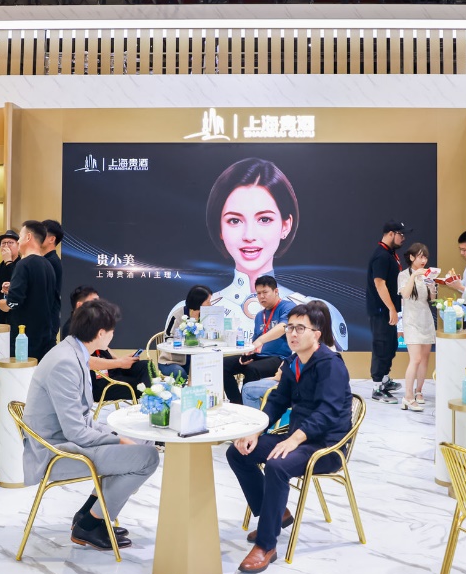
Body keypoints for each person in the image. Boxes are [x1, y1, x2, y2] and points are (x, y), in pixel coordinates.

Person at [21, 299, 159, 552]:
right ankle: (91, 524)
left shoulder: (72, 351)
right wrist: (117, 439)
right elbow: (75, 431)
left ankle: (88, 514)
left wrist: (117, 435)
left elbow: (80, 420)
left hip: (67, 438)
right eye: (112, 331)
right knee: (148, 458)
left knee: (143, 440)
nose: (114, 335)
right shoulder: (65, 362)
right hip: (56, 450)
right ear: (100, 334)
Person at [166, 158, 348, 349]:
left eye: (264, 219)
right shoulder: (189, 311)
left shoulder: (313, 309)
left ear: (286, 225)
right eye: (235, 221)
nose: (249, 236)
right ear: (219, 228)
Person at [227, 301, 352, 574]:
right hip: (298, 437)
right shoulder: (294, 362)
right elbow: (277, 401)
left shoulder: (331, 365)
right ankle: (276, 513)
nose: (293, 333)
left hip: (326, 446)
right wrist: (256, 431)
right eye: (289, 327)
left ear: (316, 333)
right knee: (237, 452)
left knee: (277, 464)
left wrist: (294, 440)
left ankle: (266, 545)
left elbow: (328, 412)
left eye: (300, 328)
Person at [63, 285, 150, 400]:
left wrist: (121, 360)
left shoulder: (93, 322)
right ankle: (151, 404)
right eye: (94, 302)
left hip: (112, 369)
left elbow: (103, 347)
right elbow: (85, 360)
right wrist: (119, 363)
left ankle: (153, 403)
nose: (99, 306)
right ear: (79, 305)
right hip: (100, 380)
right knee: (141, 386)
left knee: (147, 366)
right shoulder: (71, 330)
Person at [224, 276, 295, 405]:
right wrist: (248, 353)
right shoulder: (259, 316)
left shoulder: (287, 307)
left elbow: (283, 327)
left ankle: (247, 407)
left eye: (265, 292)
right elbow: (255, 341)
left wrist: (261, 340)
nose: (261, 296)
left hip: (278, 358)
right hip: (258, 356)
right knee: (223, 364)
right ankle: (237, 402)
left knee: (252, 369)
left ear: (276, 291)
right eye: (258, 293)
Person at [1, 220, 58, 360]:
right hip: (44, 336)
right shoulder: (48, 265)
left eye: (20, 236)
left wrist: (3, 304)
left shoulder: (23, 264)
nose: (18, 241)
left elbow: (14, 302)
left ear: (28, 237)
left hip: (25, 338)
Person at [367, 221, 406, 404]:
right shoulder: (381, 256)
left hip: (388, 310)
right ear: (391, 234)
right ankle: (377, 388)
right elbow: (379, 283)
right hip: (381, 310)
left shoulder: (389, 254)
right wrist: (391, 308)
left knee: (390, 345)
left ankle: (384, 379)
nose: (403, 238)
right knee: (381, 346)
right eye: (401, 234)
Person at [397, 243, 437, 411]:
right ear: (412, 257)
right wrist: (414, 276)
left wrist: (432, 286)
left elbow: (433, 299)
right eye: (420, 256)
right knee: (416, 359)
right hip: (411, 321)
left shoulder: (427, 274)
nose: (423, 260)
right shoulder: (403, 275)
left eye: (425, 257)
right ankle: (407, 396)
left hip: (426, 319)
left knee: (425, 358)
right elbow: (405, 295)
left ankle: (419, 391)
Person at [40, 219, 65, 328]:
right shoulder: (46, 260)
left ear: (52, 239)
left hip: (47, 321)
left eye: (41, 233)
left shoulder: (51, 262)